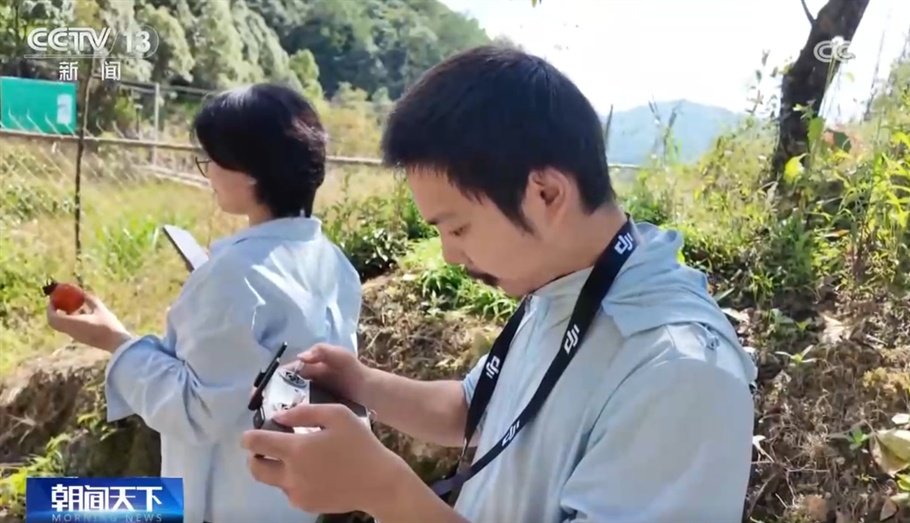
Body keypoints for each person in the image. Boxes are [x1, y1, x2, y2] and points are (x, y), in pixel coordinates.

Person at [240, 46, 758, 523]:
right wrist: (359, 382)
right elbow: (473, 409)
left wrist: (385, 492)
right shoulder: (565, 284)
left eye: (458, 228)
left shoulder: (680, 373)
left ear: (546, 194)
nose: (449, 254)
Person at [46, 83, 363, 523]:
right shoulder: (334, 264)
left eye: (212, 159)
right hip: (286, 501)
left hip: (225, 497)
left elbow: (194, 409)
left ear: (249, 171)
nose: (207, 172)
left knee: (62, 507)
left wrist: (115, 341)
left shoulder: (234, 273)